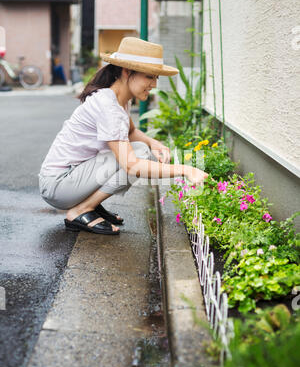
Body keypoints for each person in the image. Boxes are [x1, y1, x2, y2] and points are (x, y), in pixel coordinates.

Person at [38, 37, 208, 235]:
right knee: (139, 156)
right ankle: (81, 209)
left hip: (71, 178)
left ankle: (89, 205)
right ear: (126, 72)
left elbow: (131, 132)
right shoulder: (108, 106)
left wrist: (153, 142)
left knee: (142, 149)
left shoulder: (118, 100)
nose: (153, 84)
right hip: (59, 185)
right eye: (149, 77)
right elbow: (131, 165)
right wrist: (186, 170)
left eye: (156, 78)